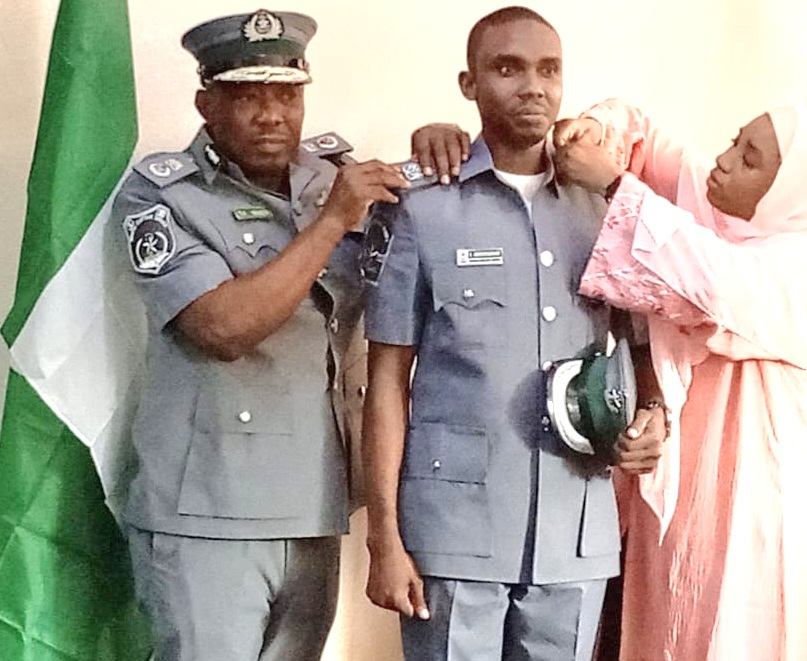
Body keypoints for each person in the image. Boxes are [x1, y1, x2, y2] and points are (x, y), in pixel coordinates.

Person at [361, 9, 667, 661]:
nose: (532, 86)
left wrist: (652, 413)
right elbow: (386, 377)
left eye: (548, 70)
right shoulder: (421, 204)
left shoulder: (605, 205)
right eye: (508, 68)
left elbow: (641, 346)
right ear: (468, 84)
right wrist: (383, 536)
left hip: (574, 525)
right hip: (453, 530)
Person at [110, 10, 413, 661]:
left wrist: (443, 143)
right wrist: (330, 224)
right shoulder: (163, 195)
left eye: (287, 96)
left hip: (314, 502)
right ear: (207, 104)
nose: (272, 115)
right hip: (207, 514)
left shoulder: (332, 177)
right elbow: (221, 327)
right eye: (248, 97)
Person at [552, 99, 807, 660]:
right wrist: (596, 129)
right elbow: (644, 139)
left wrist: (616, 185)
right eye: (734, 142)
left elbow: (715, 285)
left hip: (759, 504)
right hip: (690, 495)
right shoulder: (725, 220)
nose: (724, 161)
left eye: (750, 159)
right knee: (667, 633)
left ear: (792, 192)